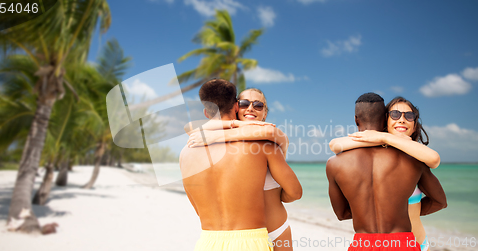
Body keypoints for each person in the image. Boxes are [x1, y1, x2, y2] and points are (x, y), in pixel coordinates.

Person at [180, 79, 302, 251]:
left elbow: (199, 208)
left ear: (266, 112)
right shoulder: (264, 147)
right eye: (245, 103)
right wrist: (234, 125)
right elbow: (296, 192)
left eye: (258, 105)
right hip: (251, 237)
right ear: (236, 106)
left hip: (210, 240)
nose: (251, 108)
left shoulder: (186, 151)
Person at [326, 93, 447, 251]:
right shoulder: (412, 161)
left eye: (409, 116)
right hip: (404, 243)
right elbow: (440, 201)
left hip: (383, 243)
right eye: (395, 115)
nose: (402, 120)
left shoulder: (334, 163)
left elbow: (342, 213)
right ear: (385, 119)